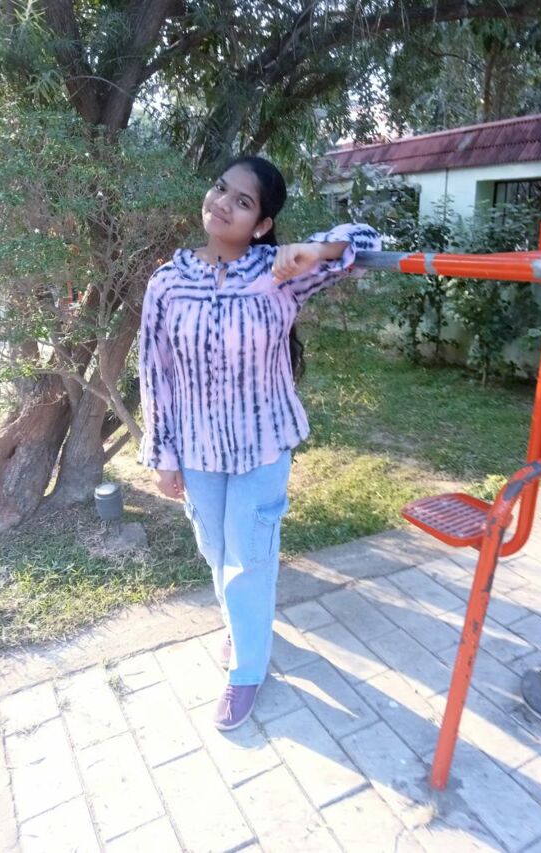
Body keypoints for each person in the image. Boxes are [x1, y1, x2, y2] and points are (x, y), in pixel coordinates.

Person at [138, 156, 380, 730]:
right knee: (215, 551)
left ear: (263, 223)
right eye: (221, 188)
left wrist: (315, 249)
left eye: (242, 202)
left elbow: (367, 240)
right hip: (196, 450)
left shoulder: (280, 271)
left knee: (248, 556)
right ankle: (242, 627)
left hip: (263, 444)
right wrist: (162, 455)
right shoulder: (168, 281)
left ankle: (247, 669)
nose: (222, 203)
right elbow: (154, 371)